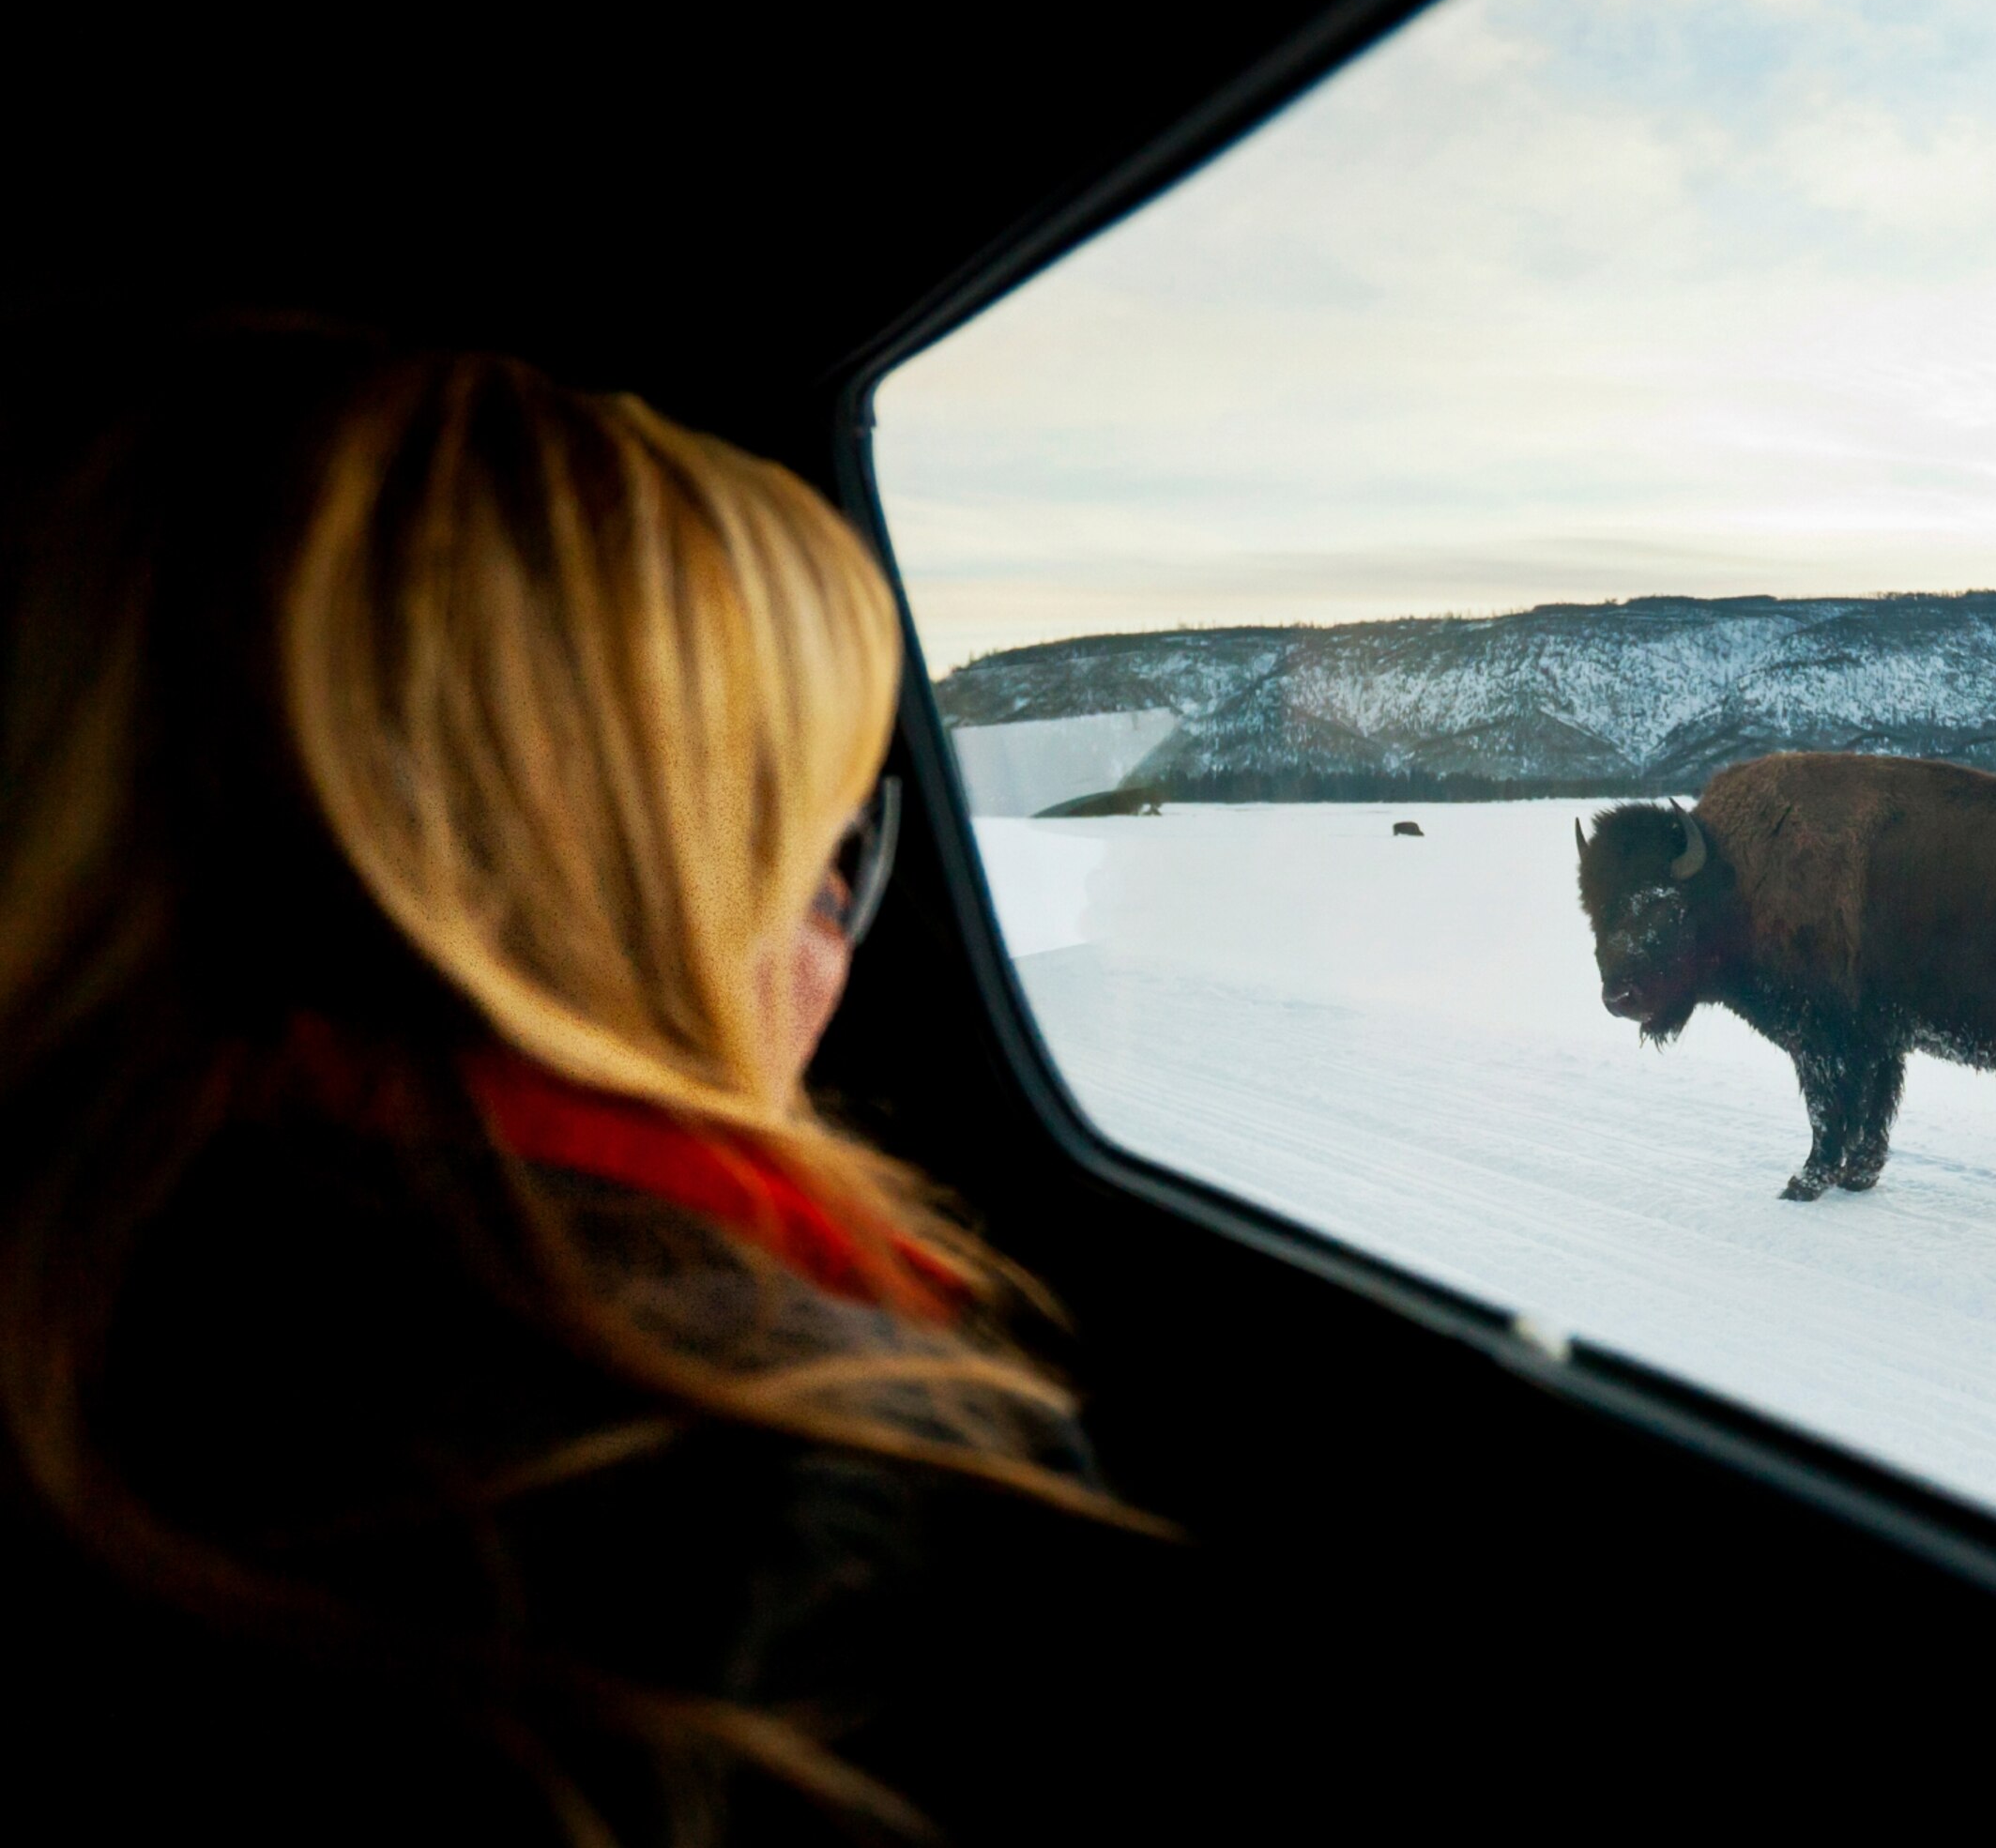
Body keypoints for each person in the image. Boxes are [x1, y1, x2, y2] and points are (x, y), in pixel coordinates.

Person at [0, 326, 1163, 1844]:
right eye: (825, 861)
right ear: (646, 888)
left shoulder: (70, 1242)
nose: (842, 942)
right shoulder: (843, 1490)